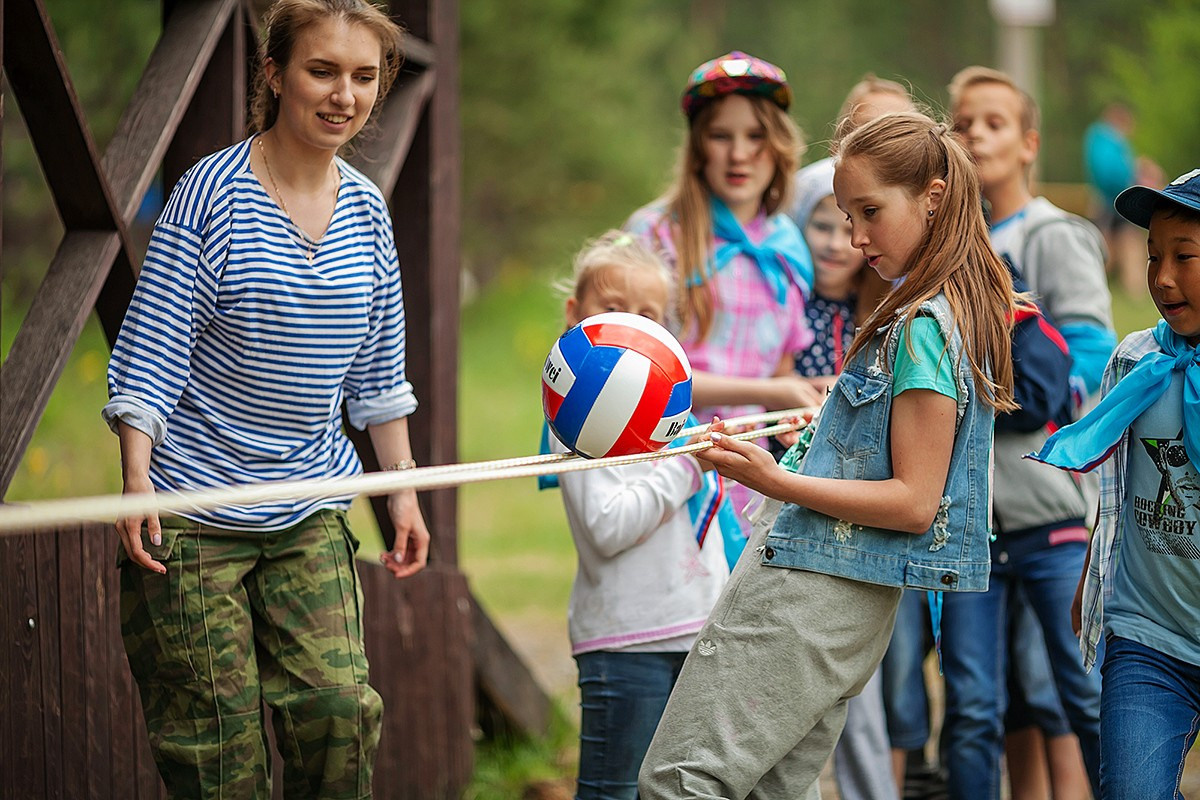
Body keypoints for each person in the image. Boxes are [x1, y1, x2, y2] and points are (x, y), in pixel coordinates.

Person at [637, 110, 1019, 798]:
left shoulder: (924, 327)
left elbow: (912, 501)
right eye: (846, 214)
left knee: (680, 781)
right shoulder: (937, 314)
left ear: (932, 198)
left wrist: (777, 481)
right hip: (841, 596)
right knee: (773, 788)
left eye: (870, 210)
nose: (855, 236)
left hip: (815, 591)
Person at [101, 2, 428, 796]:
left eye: (362, 76)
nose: (343, 94)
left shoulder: (366, 214)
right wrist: (137, 478)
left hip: (304, 506)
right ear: (276, 73)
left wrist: (403, 495)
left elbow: (379, 378)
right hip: (190, 509)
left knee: (340, 712)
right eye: (322, 70)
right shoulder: (209, 195)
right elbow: (152, 348)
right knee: (218, 756)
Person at [947, 66, 1114, 799]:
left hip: (1047, 507)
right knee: (983, 704)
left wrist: (1008, 392)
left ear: (1028, 144)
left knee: (1073, 694)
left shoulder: (1056, 236)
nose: (975, 134)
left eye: (993, 122)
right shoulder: (951, 246)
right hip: (975, 522)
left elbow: (1094, 362)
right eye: (962, 123)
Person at [1029, 168, 1200, 799]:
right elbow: (1117, 491)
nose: (1160, 276)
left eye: (1184, 256)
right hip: (1147, 637)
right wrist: (1090, 575)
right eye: (1153, 256)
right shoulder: (1134, 361)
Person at [546, 231, 733, 800]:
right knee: (615, 791)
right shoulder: (578, 418)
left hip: (695, 630)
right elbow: (608, 528)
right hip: (626, 645)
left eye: (648, 314)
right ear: (575, 316)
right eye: (613, 308)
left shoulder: (670, 412)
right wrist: (687, 469)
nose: (632, 327)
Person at [624, 51, 823, 554]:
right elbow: (630, 379)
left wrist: (804, 394)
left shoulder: (789, 246)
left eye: (756, 136)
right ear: (697, 148)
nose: (740, 155)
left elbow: (780, 373)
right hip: (664, 471)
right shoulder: (653, 235)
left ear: (778, 147)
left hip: (750, 478)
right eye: (721, 136)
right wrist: (777, 392)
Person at [790, 159, 898, 800]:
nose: (835, 241)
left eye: (846, 226)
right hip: (797, 498)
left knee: (869, 682)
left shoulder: (882, 316)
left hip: (865, 515)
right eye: (819, 225)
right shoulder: (789, 308)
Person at [1083, 103, 1153, 295]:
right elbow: (1109, 173)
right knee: (1110, 248)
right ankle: (1129, 289)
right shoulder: (1107, 141)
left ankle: (1133, 289)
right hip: (1112, 201)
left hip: (1111, 199)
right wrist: (1132, 179)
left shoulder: (1103, 140)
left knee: (1121, 246)